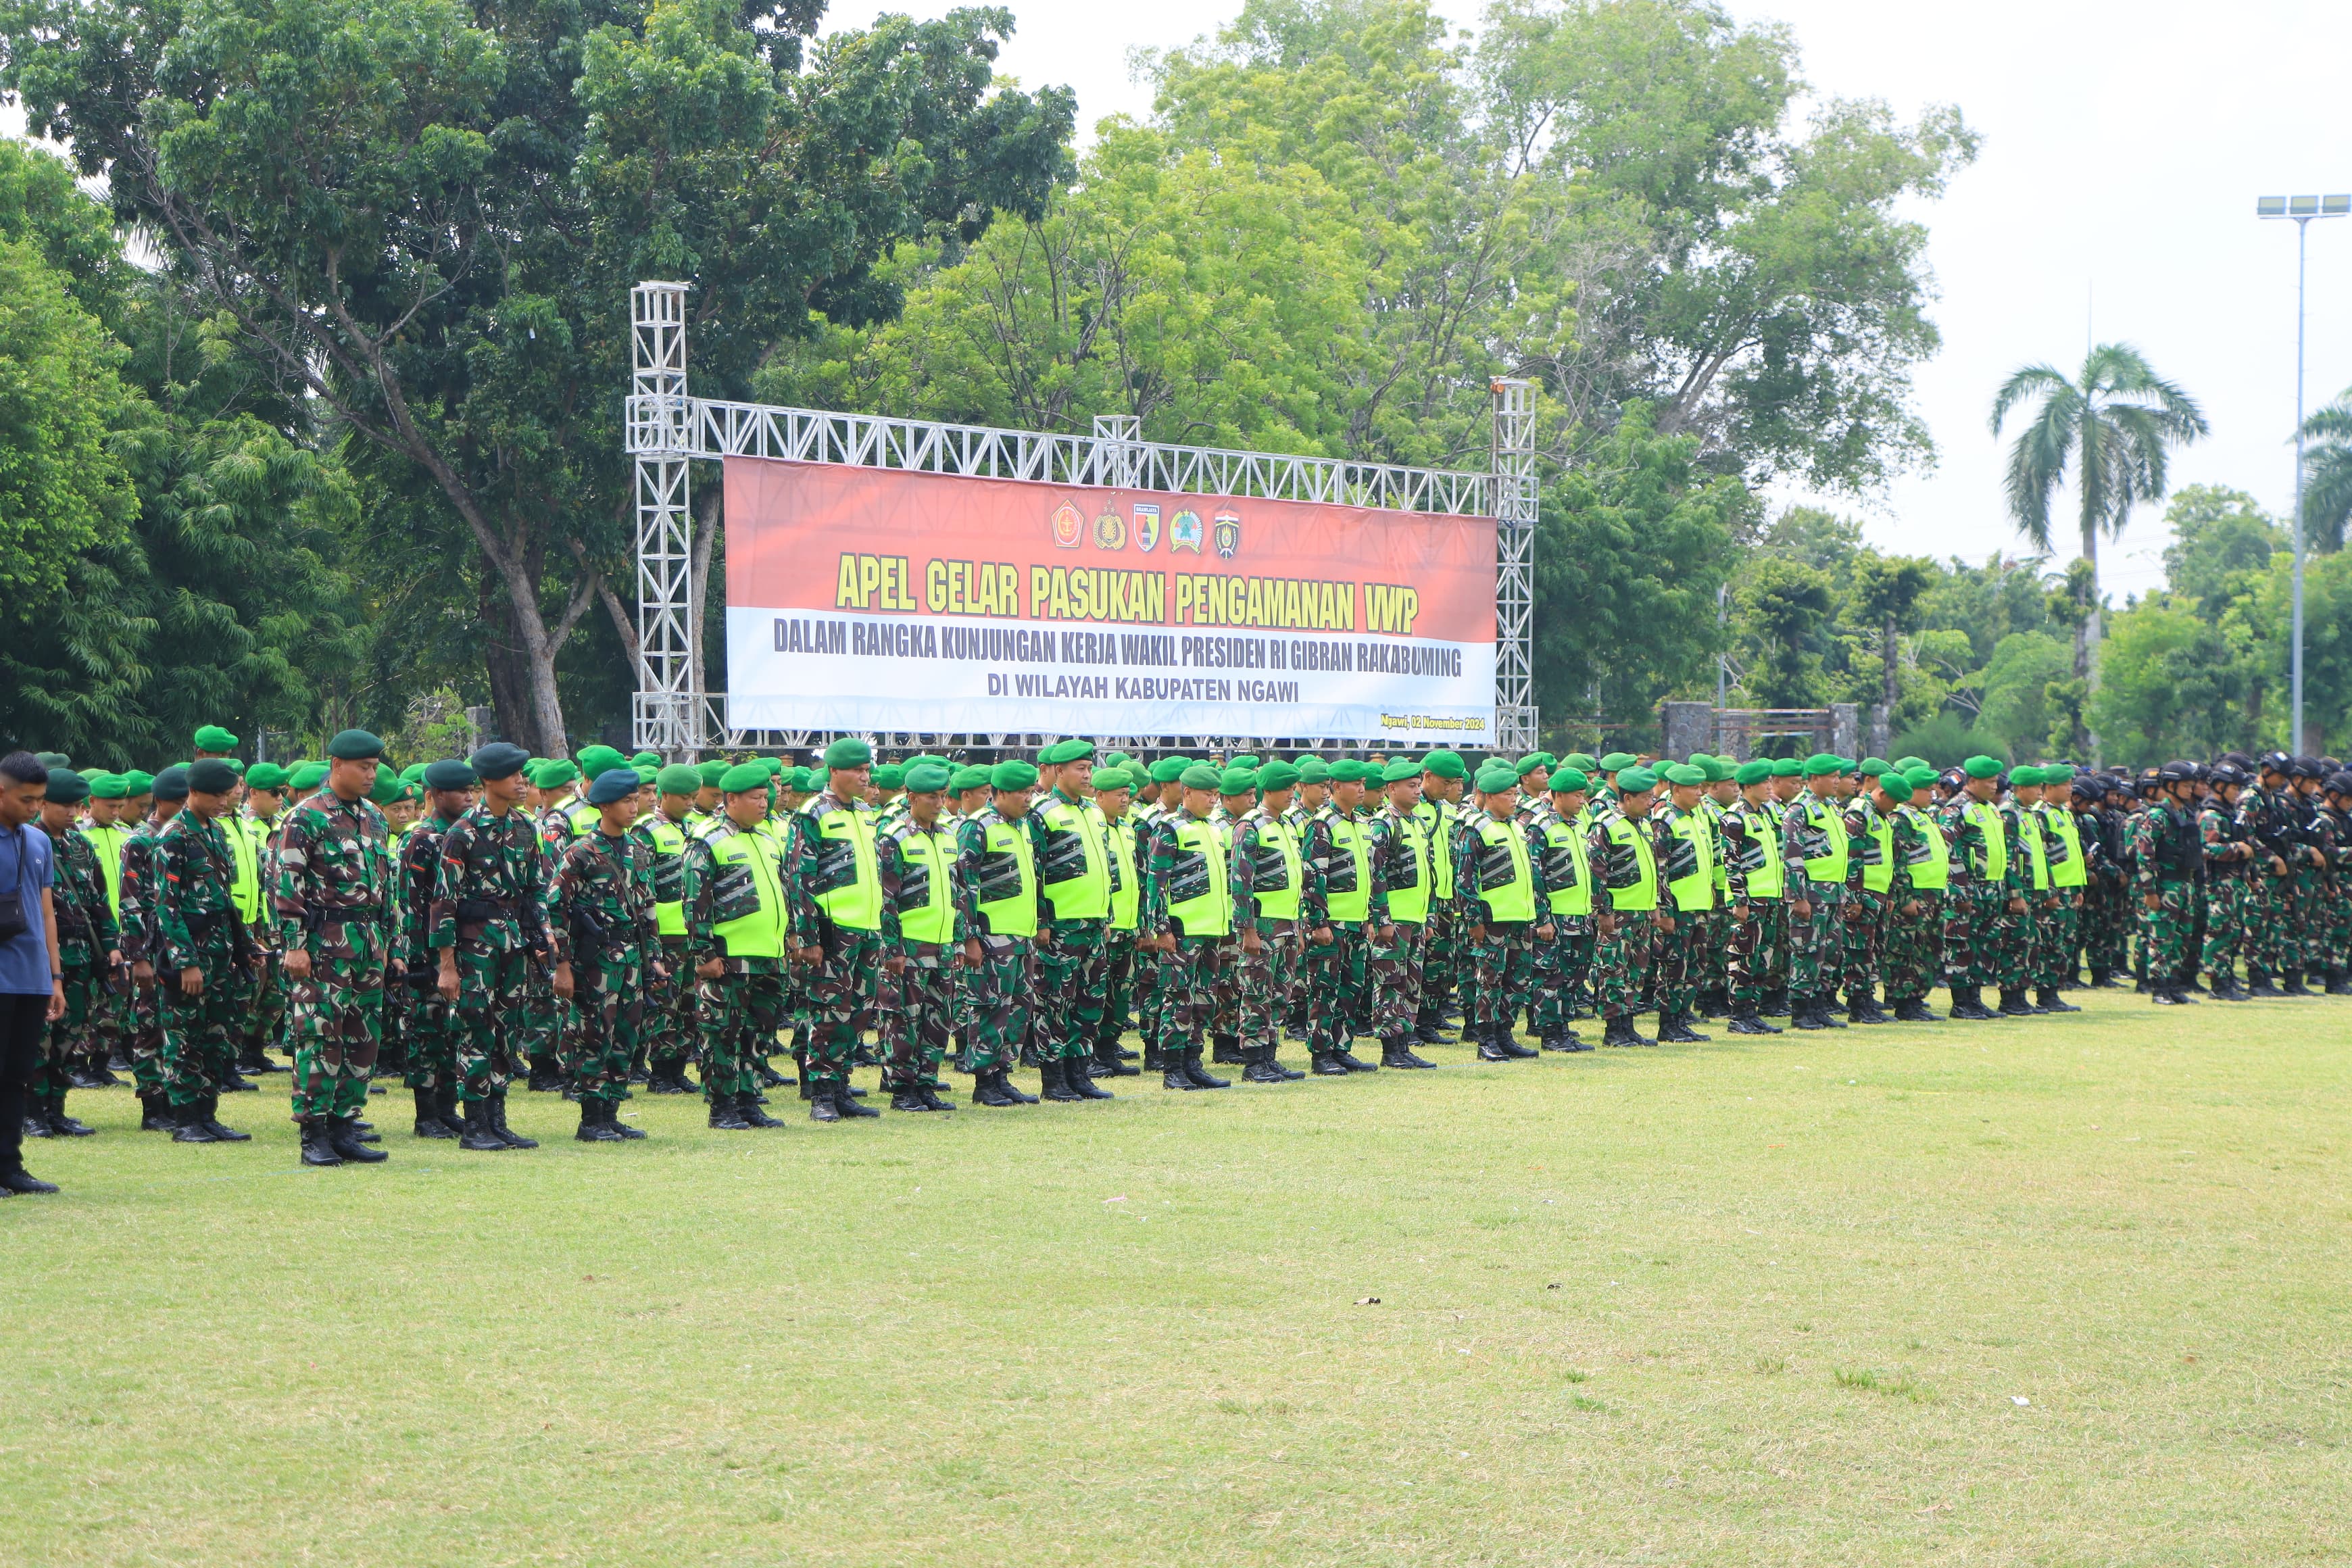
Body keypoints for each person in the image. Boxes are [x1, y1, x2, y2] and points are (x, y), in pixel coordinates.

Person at [275, 731, 400, 1166]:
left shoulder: (374, 818)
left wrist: (388, 941)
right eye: (362, 766)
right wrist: (294, 946)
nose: (371, 774)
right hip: (322, 944)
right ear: (336, 765)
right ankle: (314, 1133)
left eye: (374, 767)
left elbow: (386, 887)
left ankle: (346, 1125)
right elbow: (288, 887)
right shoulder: (305, 817)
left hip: (366, 944)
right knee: (318, 1035)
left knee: (363, 1037)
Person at [683, 762, 806, 1131]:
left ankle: (750, 1100)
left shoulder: (768, 840)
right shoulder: (708, 840)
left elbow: (783, 893)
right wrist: (704, 955)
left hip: (768, 957)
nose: (763, 804)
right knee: (723, 1033)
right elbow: (695, 903)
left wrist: (790, 937)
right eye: (755, 798)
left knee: (760, 1031)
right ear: (731, 799)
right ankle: (722, 1106)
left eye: (765, 798)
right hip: (728, 958)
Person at [547, 766, 664, 1142]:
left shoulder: (637, 849)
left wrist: (655, 956)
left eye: (636, 800)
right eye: (626, 801)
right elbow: (556, 910)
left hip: (632, 957)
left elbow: (648, 906)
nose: (634, 807)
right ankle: (591, 1117)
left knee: (627, 1036)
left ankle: (611, 1113)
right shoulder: (580, 852)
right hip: (596, 959)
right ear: (604, 806)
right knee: (594, 1034)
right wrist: (562, 965)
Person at [154, 758, 260, 1145]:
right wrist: (185, 964)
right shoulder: (175, 836)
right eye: (216, 795)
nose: (224, 801)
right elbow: (166, 905)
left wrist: (242, 946)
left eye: (228, 794)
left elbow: (224, 899)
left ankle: (208, 1113)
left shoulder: (216, 832)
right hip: (191, 955)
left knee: (218, 1035)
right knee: (184, 1037)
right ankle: (184, 1119)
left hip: (221, 951)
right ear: (193, 793)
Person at [795, 739, 886, 1120]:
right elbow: (800, 877)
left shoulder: (866, 813)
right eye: (856, 771)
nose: (864, 778)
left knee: (860, 1010)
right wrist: (809, 936)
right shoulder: (814, 813)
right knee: (830, 1011)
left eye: (867, 771)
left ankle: (843, 1086)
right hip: (834, 930)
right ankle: (822, 1094)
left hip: (868, 927)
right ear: (834, 772)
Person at [1025, 739, 1116, 1102]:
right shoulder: (1042, 813)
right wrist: (1042, 921)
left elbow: (1103, 869)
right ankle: (1054, 1077)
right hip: (1061, 926)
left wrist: (1106, 914)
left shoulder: (1094, 812)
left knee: (1090, 1002)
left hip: (1093, 923)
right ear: (1058, 771)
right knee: (1055, 1003)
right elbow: (1034, 872)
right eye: (1080, 768)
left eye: (1089, 768)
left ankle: (1080, 1072)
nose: (1087, 774)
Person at [954, 758, 1046, 1106]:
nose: (1028, 799)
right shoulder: (978, 827)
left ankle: (1001, 1074)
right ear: (1000, 793)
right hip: (992, 938)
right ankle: (983, 1081)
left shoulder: (1021, 827)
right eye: (1022, 793)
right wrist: (971, 937)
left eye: (1031, 792)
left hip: (1020, 936)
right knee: (991, 1008)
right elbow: (965, 886)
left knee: (1019, 1008)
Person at [27, 768, 112, 1138]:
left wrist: (111, 949)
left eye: (78, 805)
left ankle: (56, 1109)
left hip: (81, 958)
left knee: (70, 1036)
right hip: (44, 958)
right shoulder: (30, 842)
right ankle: (33, 1112)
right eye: (64, 805)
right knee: (39, 1039)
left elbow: (100, 902)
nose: (73, 812)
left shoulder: (80, 844)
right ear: (43, 802)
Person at [1140, 762, 1234, 1090]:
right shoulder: (1170, 828)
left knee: (1204, 1001)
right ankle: (1173, 1069)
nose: (1213, 800)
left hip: (1211, 931)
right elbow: (1156, 883)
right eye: (1208, 794)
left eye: (1216, 794)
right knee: (1177, 999)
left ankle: (1194, 1062)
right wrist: (1161, 929)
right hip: (1182, 933)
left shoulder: (1213, 829)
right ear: (1188, 793)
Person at [875, 760, 962, 1112]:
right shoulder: (894, 837)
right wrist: (892, 949)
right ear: (911, 797)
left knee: (937, 1019)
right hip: (908, 947)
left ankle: (927, 1083)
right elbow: (886, 899)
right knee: (903, 1020)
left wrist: (958, 939)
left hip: (941, 946)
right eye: (931, 797)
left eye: (943, 796)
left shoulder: (947, 837)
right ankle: (902, 1089)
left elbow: (959, 893)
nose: (939, 804)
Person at [396, 759, 477, 1138]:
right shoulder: (423, 838)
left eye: (471, 789)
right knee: (426, 1033)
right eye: (460, 791)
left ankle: (447, 1108)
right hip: (425, 952)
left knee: (451, 1031)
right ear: (436, 795)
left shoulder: (466, 833)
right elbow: (412, 903)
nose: (468, 797)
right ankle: (425, 1114)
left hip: (457, 948)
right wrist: (417, 957)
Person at [0, 753, 68, 1194]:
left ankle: (10, 1165)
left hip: (30, 975)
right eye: (26, 799)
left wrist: (55, 978)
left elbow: (46, 913)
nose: (33, 807)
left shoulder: (38, 841)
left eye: (40, 800)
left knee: (18, 1074)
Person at [1458, 762, 1552, 1060]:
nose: (1514, 800)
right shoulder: (1476, 829)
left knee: (1517, 980)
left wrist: (1540, 914)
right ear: (1489, 796)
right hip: (1492, 920)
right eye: (1508, 795)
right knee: (1490, 980)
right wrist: (1473, 920)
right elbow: (1465, 879)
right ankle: (1486, 1039)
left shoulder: (1518, 827)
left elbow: (1533, 876)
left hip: (1520, 918)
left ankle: (1505, 1034)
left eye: (1515, 794)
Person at [1227, 758, 1310, 1082]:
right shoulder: (1250, 826)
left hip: (1287, 924)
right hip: (1261, 926)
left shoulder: (1288, 826)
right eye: (1286, 789)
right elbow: (1241, 882)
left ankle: (1270, 1057)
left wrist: (1299, 925)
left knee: (1280, 993)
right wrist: (1246, 928)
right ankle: (1253, 1062)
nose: (1291, 794)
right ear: (1269, 790)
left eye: (1293, 788)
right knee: (1256, 993)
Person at [1301, 758, 1382, 1073]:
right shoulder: (1322, 824)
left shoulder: (1362, 824)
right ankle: (1321, 1053)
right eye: (1355, 784)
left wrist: (1372, 917)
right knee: (1324, 990)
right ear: (1336, 788)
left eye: (1363, 784)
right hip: (1331, 925)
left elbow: (1373, 876)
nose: (1362, 789)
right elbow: (1313, 878)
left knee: (1351, 989)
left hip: (1357, 923)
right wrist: (1318, 922)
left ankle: (1341, 1047)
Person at [1364, 760, 1438, 1069]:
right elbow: (1374, 875)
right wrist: (1381, 919)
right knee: (1389, 983)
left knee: (1411, 984)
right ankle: (1390, 1048)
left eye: (1418, 784)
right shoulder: (1384, 824)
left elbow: (1429, 873)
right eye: (1411, 786)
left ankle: (1404, 1043)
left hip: (1416, 919)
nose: (1418, 790)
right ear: (1391, 789)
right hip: (1393, 921)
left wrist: (1430, 917)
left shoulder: (1418, 823)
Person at [635, 765, 704, 1096]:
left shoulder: (695, 828)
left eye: (694, 796)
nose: (690, 803)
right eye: (684, 797)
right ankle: (660, 1073)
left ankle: (678, 1068)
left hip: (691, 933)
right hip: (664, 933)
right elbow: (642, 884)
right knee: (665, 1004)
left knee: (690, 1005)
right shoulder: (647, 831)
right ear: (664, 796)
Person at [1586, 765, 1664, 1048]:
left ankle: (1628, 1024)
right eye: (1645, 798)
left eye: (1652, 797)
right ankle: (1613, 1029)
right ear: (1627, 798)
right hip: (1617, 914)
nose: (1650, 802)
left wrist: (1655, 904)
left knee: (1634, 971)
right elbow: (1597, 873)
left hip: (1641, 912)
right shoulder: (1605, 824)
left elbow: (1653, 868)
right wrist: (1603, 911)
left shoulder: (1644, 824)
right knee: (1612, 971)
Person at [1782, 756, 1852, 1032]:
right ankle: (1801, 1010)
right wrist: (1798, 896)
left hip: (1834, 891)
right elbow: (1792, 855)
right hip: (1811, 893)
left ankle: (1820, 1005)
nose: (1837, 781)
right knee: (1807, 950)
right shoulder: (1800, 809)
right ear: (1814, 779)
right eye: (1831, 776)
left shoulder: (1832, 807)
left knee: (1830, 951)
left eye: (1838, 776)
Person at [1531, 766, 1597, 1050]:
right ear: (1558, 795)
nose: (1582, 801)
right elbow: (1534, 876)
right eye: (1576, 796)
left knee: (1574, 975)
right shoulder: (1541, 826)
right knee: (1551, 977)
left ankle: (1565, 1028)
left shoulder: (1581, 825)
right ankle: (1550, 1033)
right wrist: (1543, 918)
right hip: (1555, 918)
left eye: (1583, 796)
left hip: (1580, 916)